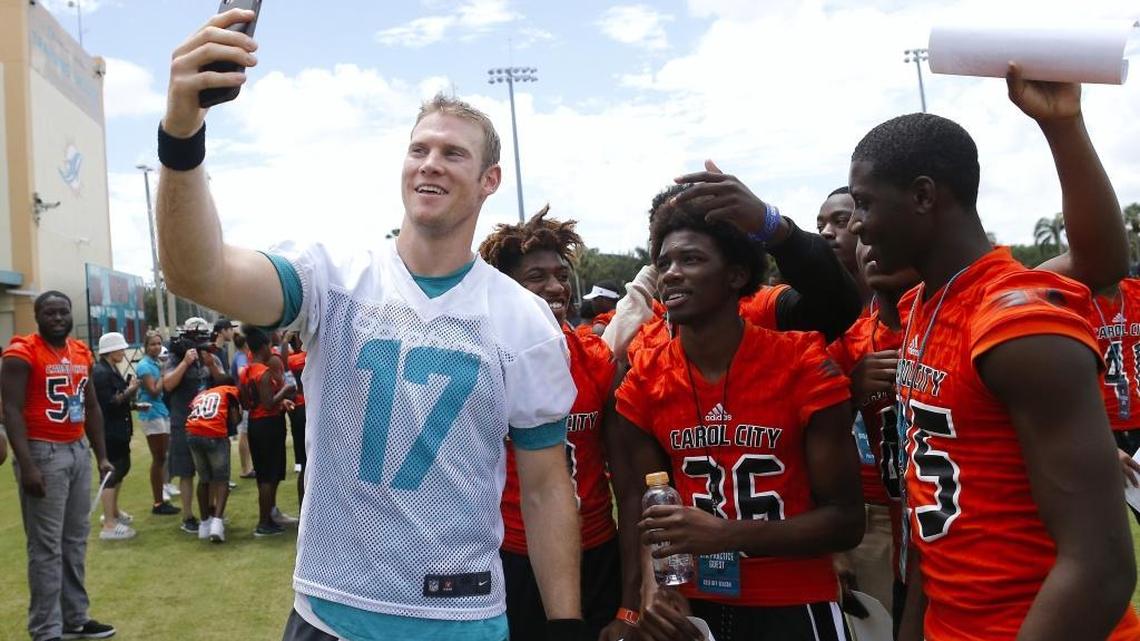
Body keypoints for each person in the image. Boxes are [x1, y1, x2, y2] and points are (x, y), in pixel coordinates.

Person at [157, 10, 588, 639]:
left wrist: (566, 625)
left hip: (461, 617)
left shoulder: (523, 321)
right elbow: (198, 273)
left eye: (453, 153)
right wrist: (182, 128)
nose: (430, 163)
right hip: (330, 613)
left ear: (489, 180)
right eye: (419, 149)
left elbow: (549, 488)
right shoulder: (335, 276)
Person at [847, 64, 1139, 641]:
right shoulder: (926, 307)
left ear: (924, 196)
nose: (858, 225)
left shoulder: (1018, 323)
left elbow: (1101, 568)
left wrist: (1064, 126)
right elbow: (938, 524)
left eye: (864, 203)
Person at [611, 193, 864, 641]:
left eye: (690, 259)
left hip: (792, 601)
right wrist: (647, 593)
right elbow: (647, 505)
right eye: (664, 261)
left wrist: (727, 534)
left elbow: (846, 521)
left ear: (737, 275)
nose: (671, 273)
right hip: (693, 603)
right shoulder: (646, 376)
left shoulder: (801, 363)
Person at [479, 207, 622, 640]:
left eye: (560, 274)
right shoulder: (483, 360)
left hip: (594, 546)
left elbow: (625, 476)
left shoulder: (594, 358)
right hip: (513, 553)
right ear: (505, 288)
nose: (555, 287)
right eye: (536, 277)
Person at [2, 291, 117, 641]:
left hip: (76, 448)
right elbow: (10, 412)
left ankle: (75, 617)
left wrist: (101, 455)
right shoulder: (21, 352)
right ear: (37, 316)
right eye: (49, 313)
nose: (57, 318)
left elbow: (92, 407)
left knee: (75, 540)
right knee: (46, 546)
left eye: (63, 312)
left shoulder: (80, 351)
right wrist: (27, 464)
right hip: (42, 451)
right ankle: (45, 629)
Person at [164, 317, 226, 534]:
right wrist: (185, 363)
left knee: (209, 472)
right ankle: (188, 516)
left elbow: (222, 383)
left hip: (206, 420)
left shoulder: (209, 355)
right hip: (182, 420)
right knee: (186, 471)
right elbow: (168, 383)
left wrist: (209, 362)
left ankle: (209, 513)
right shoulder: (175, 355)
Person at [1089, 278, 1140, 523]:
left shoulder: (1136, 293)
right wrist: (1103, 442)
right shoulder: (1073, 302)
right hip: (1101, 430)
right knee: (1103, 527)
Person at [240, 325, 295, 537]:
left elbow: (246, 403)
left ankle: (268, 517)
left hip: (255, 423)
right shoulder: (262, 373)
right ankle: (264, 522)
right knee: (268, 476)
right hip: (268, 425)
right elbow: (269, 402)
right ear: (264, 347)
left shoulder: (246, 371)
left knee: (264, 474)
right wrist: (286, 391)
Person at [92, 332, 139, 541]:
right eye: (120, 348)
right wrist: (131, 391)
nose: (123, 351)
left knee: (122, 468)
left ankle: (114, 512)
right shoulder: (101, 373)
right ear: (110, 351)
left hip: (118, 429)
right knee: (111, 473)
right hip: (108, 431)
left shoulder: (110, 369)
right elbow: (109, 403)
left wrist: (132, 399)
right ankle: (109, 524)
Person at [185, 378, 242, 543]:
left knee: (203, 479)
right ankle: (217, 523)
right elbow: (234, 419)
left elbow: (193, 410)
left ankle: (204, 524)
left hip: (192, 432)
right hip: (213, 433)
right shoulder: (229, 392)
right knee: (222, 479)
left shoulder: (204, 394)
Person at [136, 330, 179, 515]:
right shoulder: (145, 365)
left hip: (160, 410)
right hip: (151, 413)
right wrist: (163, 375)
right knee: (159, 457)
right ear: (146, 346)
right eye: (152, 344)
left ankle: (161, 496)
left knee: (163, 456)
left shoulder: (155, 362)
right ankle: (158, 502)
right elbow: (153, 390)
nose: (156, 347)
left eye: (158, 343)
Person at [231, 333, 255, 478]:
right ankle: (246, 468)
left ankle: (248, 466)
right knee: (244, 433)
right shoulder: (241, 356)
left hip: (242, 397)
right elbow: (242, 372)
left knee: (245, 433)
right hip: (243, 398)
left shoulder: (240, 355)